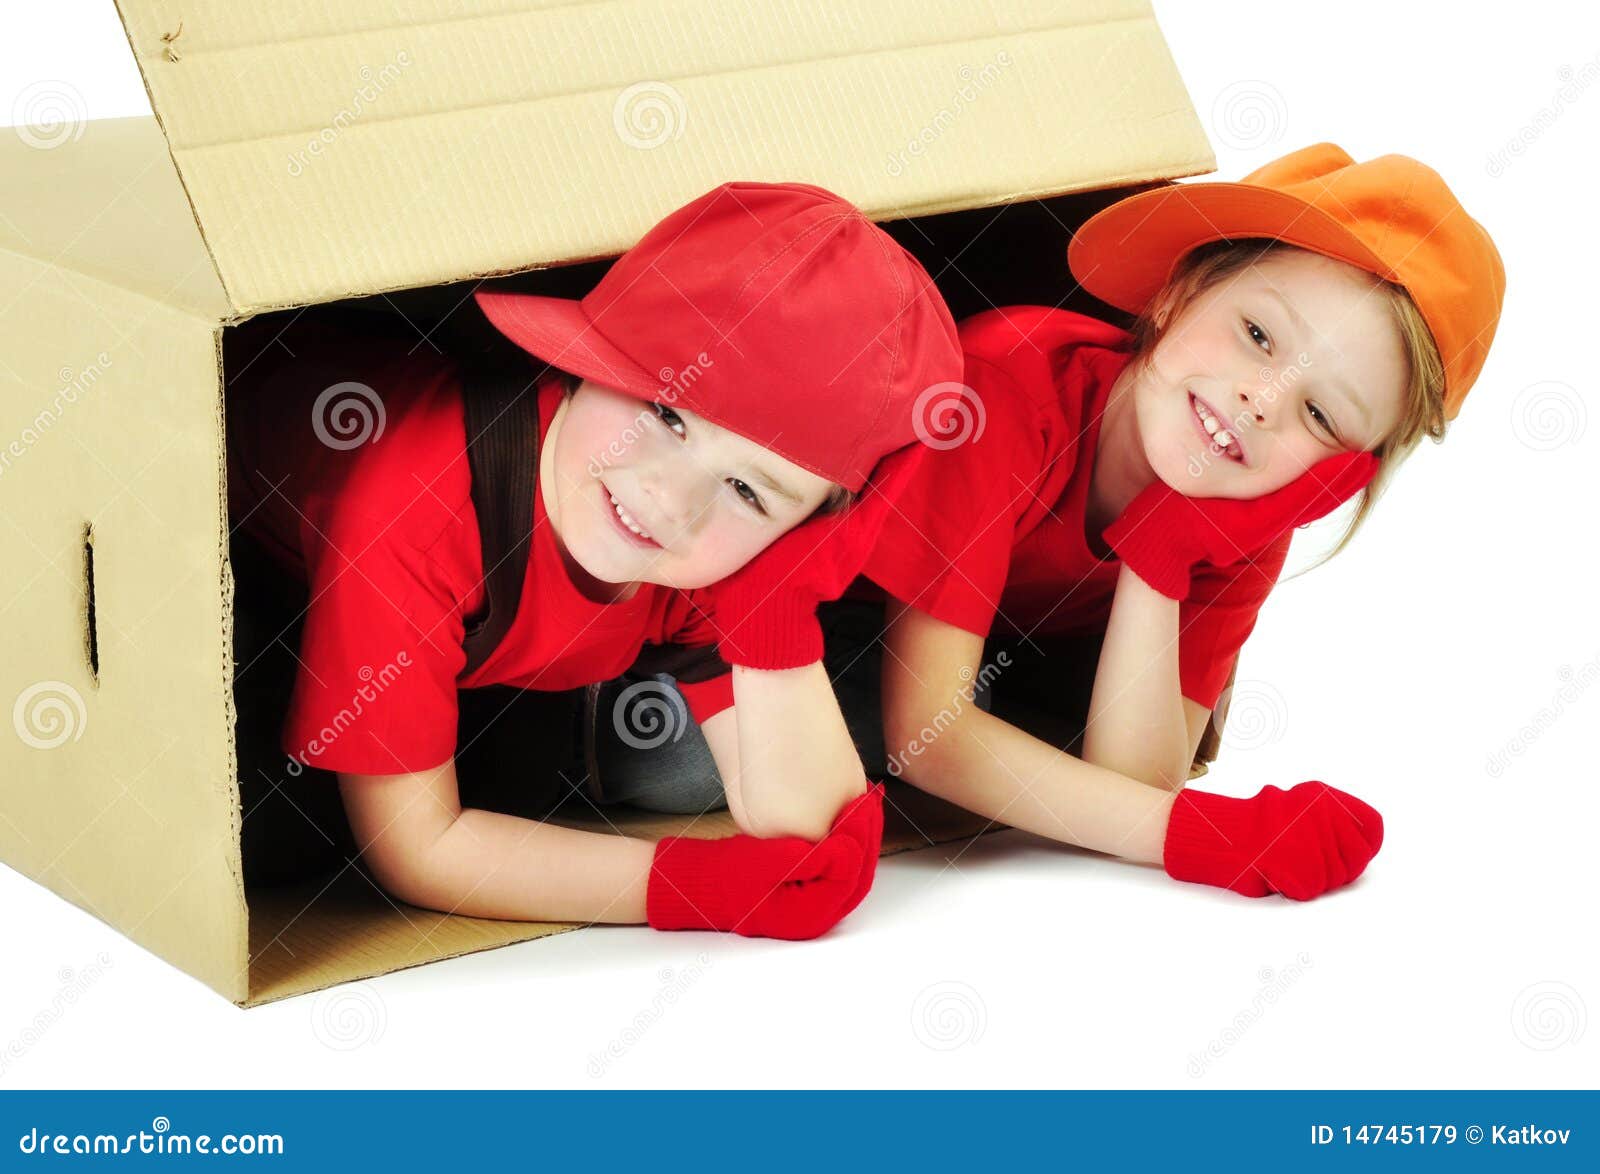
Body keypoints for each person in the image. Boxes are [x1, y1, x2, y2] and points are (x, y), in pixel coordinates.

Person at [585, 144, 1506, 903]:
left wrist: (1162, 546)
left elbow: (1137, 781)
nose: (1260, 402)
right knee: (676, 763)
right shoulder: (1009, 387)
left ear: (1342, 475)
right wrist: (1200, 838)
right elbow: (931, 735)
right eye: (1258, 336)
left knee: (1002, 716)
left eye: (1321, 417)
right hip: (759, 616)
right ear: (1180, 293)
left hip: (940, 662)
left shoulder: (1241, 520)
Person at [224, 179, 961, 938]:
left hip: (485, 646)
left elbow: (809, 836)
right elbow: (416, 848)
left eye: (747, 489)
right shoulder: (413, 504)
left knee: (726, 751)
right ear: (586, 357)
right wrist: (699, 888)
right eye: (667, 412)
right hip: (272, 571)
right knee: (278, 830)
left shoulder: (719, 547)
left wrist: (777, 587)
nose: (670, 503)